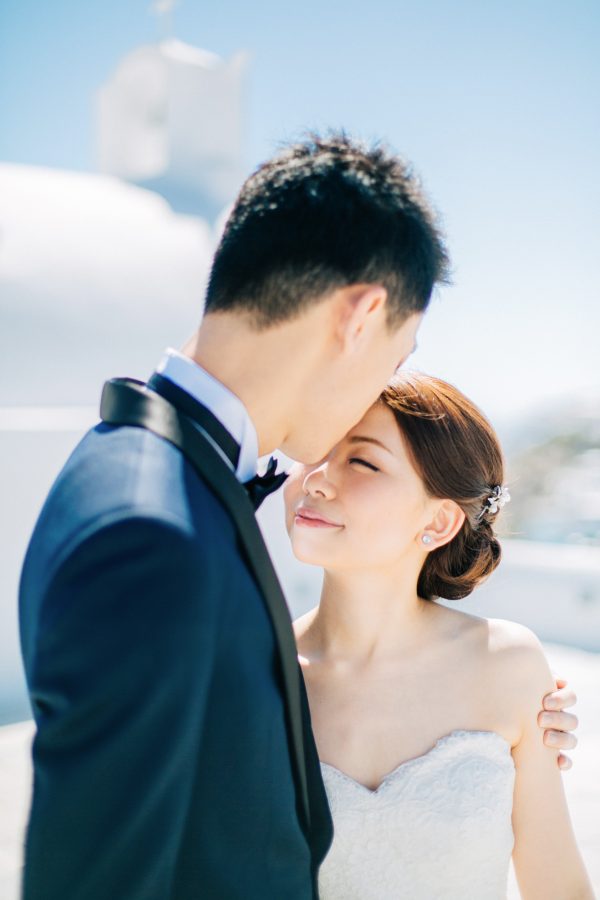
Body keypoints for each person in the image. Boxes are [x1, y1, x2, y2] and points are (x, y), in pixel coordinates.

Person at [19, 134, 578, 900]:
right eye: (394, 355)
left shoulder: (160, 480)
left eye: (366, 461)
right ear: (360, 316)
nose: (316, 478)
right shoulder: (148, 534)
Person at [285, 372, 592, 900]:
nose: (316, 477)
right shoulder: (256, 674)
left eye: (360, 461)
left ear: (441, 521)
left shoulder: (508, 665)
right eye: (317, 450)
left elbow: (558, 886)